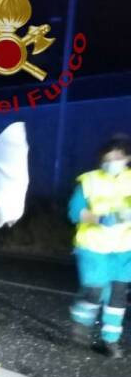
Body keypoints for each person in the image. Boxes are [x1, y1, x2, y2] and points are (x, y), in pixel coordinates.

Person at [68, 134, 131, 358]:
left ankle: (110, 341)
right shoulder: (89, 180)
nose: (112, 161)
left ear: (127, 158)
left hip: (124, 248)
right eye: (108, 157)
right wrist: (100, 219)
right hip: (93, 246)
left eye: (118, 157)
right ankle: (81, 320)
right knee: (95, 291)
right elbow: (75, 211)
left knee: (118, 296)